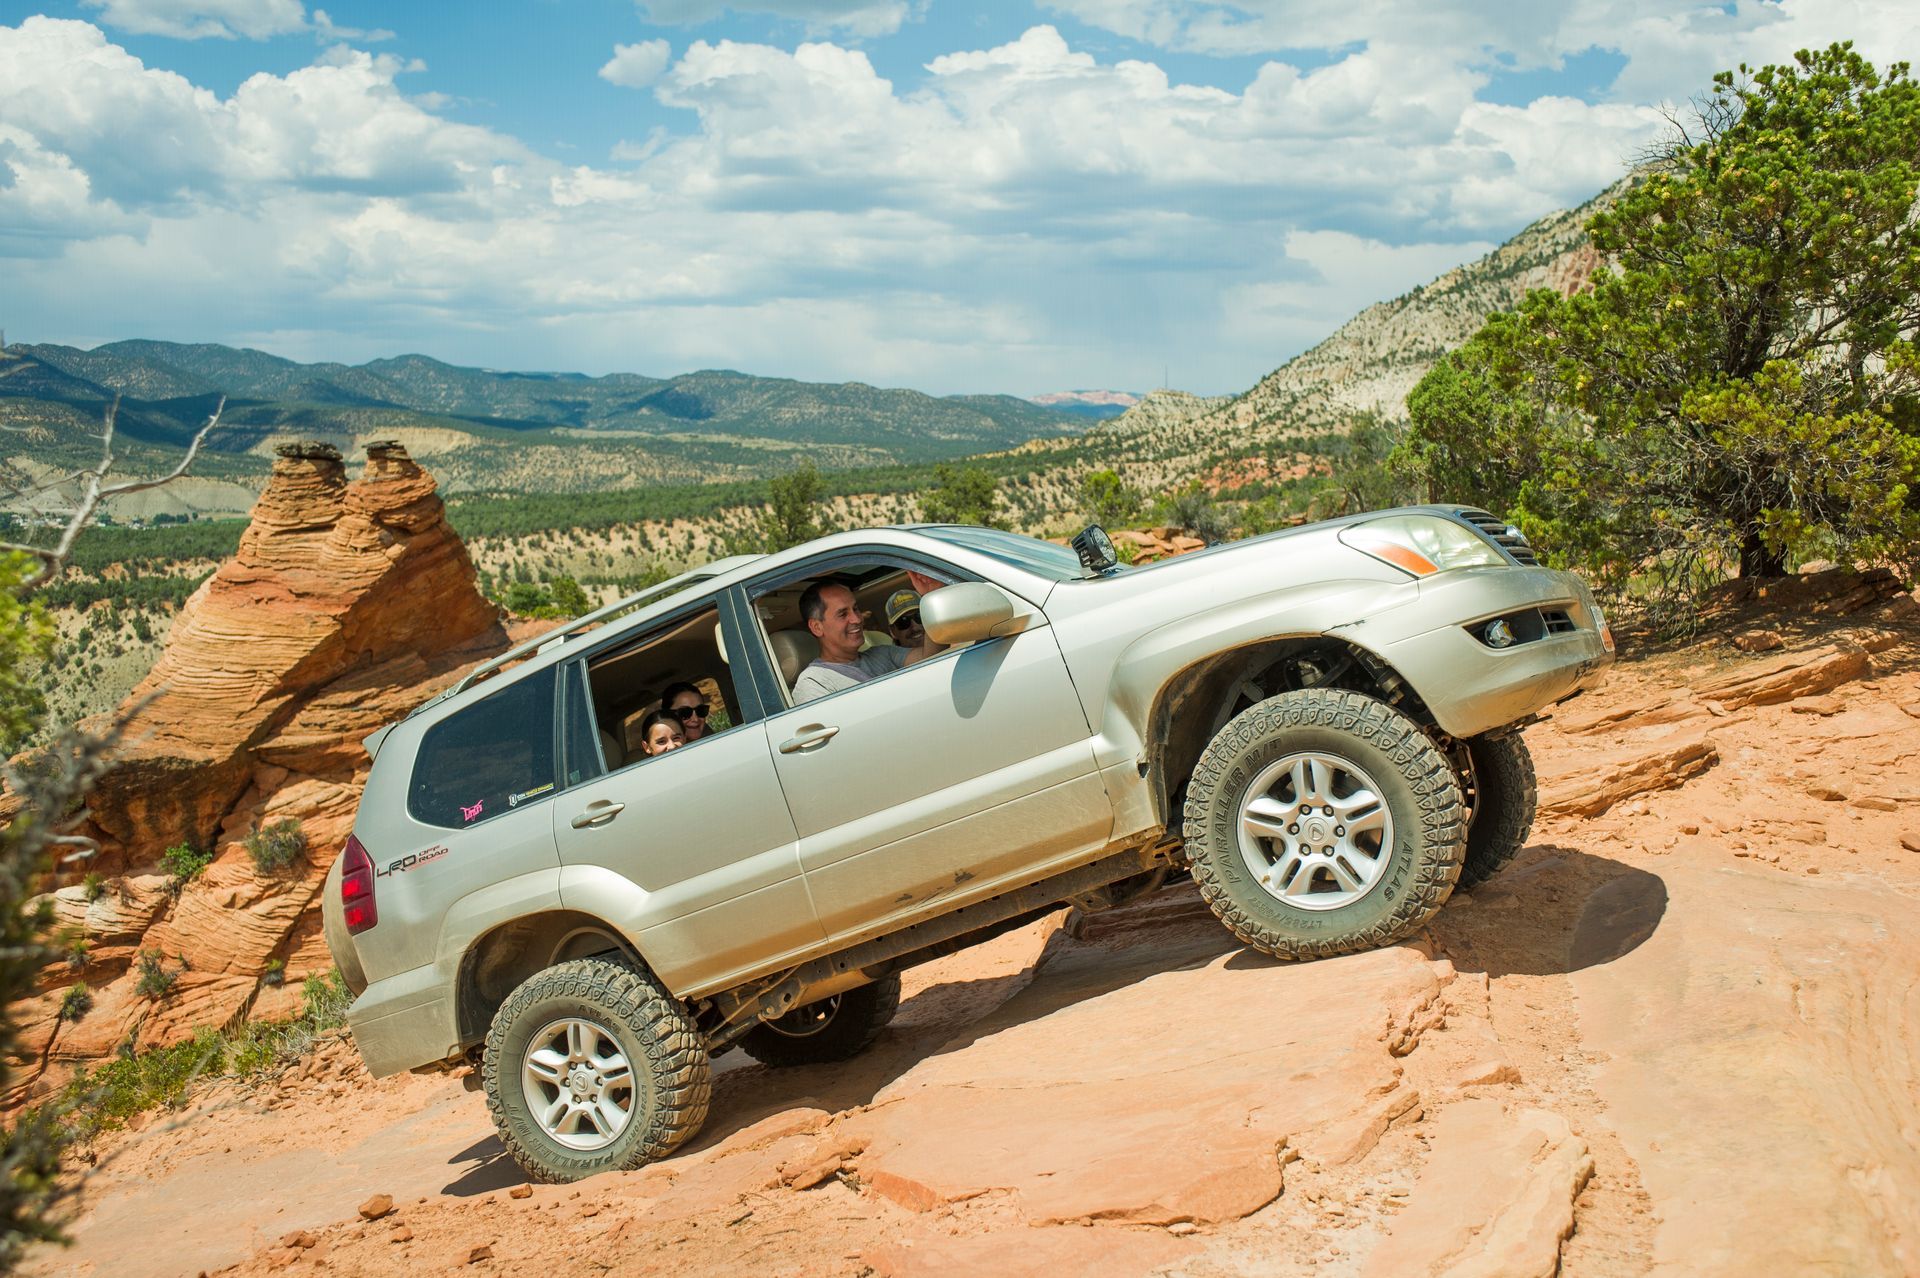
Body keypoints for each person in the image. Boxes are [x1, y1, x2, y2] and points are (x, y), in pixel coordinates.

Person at [791, 576, 945, 704]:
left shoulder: (882, 654)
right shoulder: (814, 683)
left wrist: (932, 596)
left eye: (855, 609)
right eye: (843, 614)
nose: (857, 619)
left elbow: (931, 656)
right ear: (817, 627)